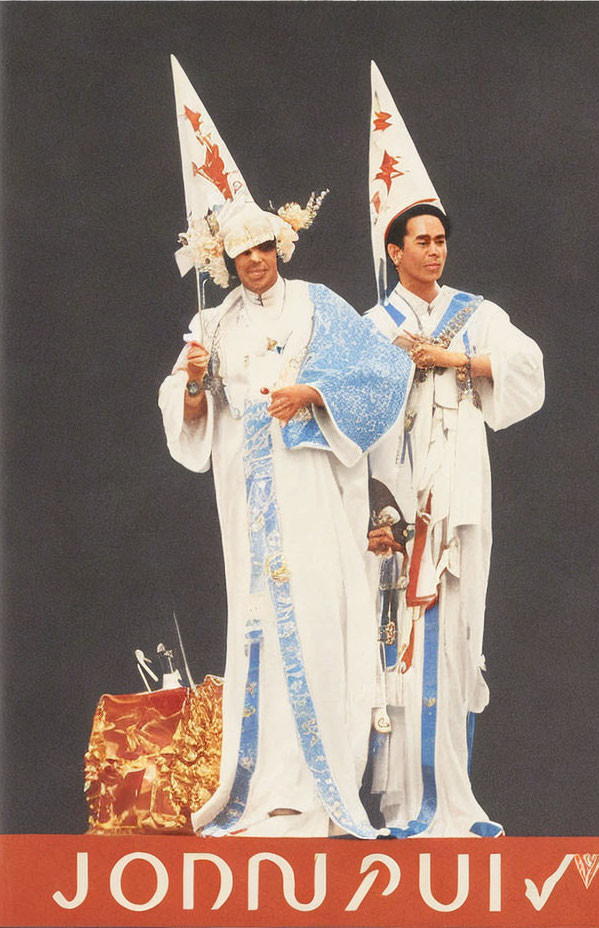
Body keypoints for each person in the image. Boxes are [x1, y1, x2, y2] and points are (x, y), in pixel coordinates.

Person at [160, 182, 411, 837]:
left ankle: (322, 783)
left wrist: (313, 392)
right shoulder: (213, 324)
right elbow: (190, 413)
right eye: (243, 254)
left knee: (318, 615)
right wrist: (192, 378)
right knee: (260, 624)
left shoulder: (316, 305)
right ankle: (265, 782)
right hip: (246, 488)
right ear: (227, 262)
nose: (257, 261)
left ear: (280, 246)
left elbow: (379, 373)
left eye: (265, 247)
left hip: (309, 484)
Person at [365, 61, 545, 838]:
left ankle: (453, 803)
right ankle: (406, 802)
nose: (435, 253)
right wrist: (377, 503)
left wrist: (454, 361)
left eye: (442, 240)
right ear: (394, 249)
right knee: (400, 640)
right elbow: (354, 422)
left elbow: (526, 372)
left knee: (457, 634)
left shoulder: (478, 313)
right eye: (422, 241)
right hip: (400, 495)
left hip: (461, 492)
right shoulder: (371, 327)